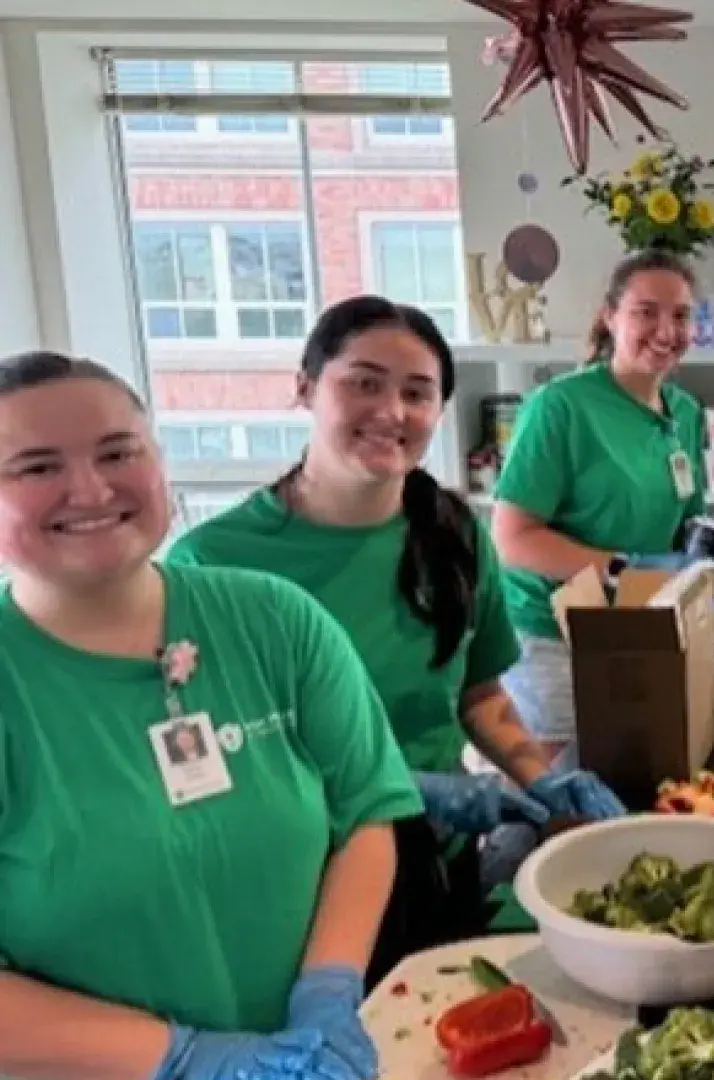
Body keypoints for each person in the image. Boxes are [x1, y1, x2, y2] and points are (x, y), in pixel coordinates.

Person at [166, 296, 625, 979]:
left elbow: (478, 695)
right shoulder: (210, 564)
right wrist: (402, 788)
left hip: (437, 864)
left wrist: (543, 779)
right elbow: (211, 761)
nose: (393, 411)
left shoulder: (455, 535)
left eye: (417, 392)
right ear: (305, 388)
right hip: (301, 891)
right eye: (364, 383)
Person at [0, 351, 423, 1080]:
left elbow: (365, 813)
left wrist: (327, 992)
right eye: (37, 467)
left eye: (118, 451)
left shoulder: (275, 620)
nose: (91, 487)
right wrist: (186, 1058)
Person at [491, 252, 710, 762]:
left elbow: (684, 523)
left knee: (630, 766)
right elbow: (513, 537)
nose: (666, 330)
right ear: (609, 317)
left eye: (680, 316)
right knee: (562, 781)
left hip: (635, 623)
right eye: (645, 312)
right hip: (552, 633)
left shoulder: (685, 412)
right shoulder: (560, 407)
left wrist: (705, 559)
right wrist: (621, 568)